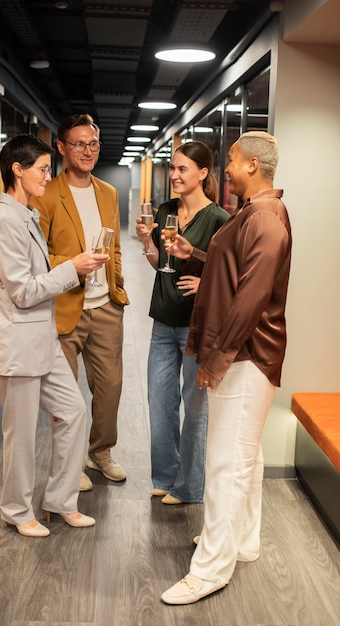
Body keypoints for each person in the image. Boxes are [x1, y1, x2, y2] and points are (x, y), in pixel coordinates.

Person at [160, 130, 292, 603]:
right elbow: (231, 268)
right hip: (245, 354)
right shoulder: (254, 215)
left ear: (252, 166)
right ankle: (241, 541)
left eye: (232, 161)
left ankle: (211, 569)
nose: (226, 170)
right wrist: (193, 254)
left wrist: (214, 361)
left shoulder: (266, 219)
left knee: (224, 465)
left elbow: (250, 298)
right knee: (246, 460)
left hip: (244, 356)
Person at [0, 134, 109, 536]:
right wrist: (74, 268)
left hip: (43, 340)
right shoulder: (3, 222)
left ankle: (60, 500)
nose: (48, 175)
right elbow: (22, 292)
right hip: (18, 345)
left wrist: (73, 267)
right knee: (19, 436)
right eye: (41, 168)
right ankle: (17, 512)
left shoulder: (27, 214)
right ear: (16, 170)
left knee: (73, 411)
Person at [32, 114, 129, 492]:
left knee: (110, 388)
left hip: (105, 306)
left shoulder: (108, 192)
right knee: (66, 393)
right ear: (61, 147)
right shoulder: (46, 195)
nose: (87, 151)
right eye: (78, 144)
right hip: (65, 306)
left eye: (93, 143)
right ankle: (70, 464)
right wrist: (74, 266)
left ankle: (100, 453)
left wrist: (117, 288)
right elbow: (37, 256)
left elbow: (115, 247)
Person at [136, 141, 229, 505]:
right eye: (172, 168)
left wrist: (205, 282)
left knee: (194, 408)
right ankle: (165, 476)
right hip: (163, 319)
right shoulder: (165, 210)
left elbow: (230, 274)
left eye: (183, 169)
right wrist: (147, 244)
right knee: (159, 402)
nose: (174, 175)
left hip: (196, 326)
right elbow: (160, 264)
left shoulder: (220, 219)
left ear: (203, 174)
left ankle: (189, 487)